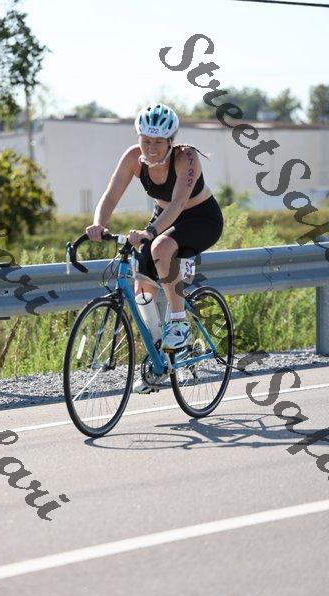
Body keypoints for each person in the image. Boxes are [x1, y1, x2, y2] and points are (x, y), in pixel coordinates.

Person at [86, 103, 223, 392]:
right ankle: (160, 359)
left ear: (171, 141)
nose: (150, 148)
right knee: (142, 288)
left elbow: (178, 204)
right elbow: (111, 196)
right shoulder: (133, 158)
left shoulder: (187, 157)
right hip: (163, 219)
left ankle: (179, 324)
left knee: (160, 247)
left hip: (200, 218)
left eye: (158, 142)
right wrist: (98, 224)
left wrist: (149, 232)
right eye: (145, 141)